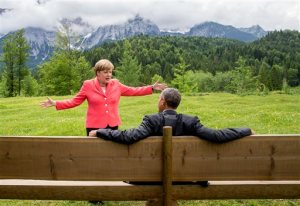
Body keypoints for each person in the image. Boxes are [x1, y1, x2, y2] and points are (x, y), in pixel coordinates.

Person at [40, 59, 167, 136]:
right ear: (98, 73)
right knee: (93, 154)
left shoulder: (116, 84)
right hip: (94, 126)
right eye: (106, 72)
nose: (109, 75)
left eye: (110, 72)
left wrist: (151, 88)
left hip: (112, 125)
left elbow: (133, 90)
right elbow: (74, 101)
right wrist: (56, 103)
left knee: (112, 153)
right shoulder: (88, 85)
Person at [89, 88, 253, 143]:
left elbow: (129, 137)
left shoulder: (151, 121)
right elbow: (217, 136)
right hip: (187, 177)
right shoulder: (191, 122)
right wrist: (246, 130)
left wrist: (100, 131)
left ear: (162, 102)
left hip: (150, 178)